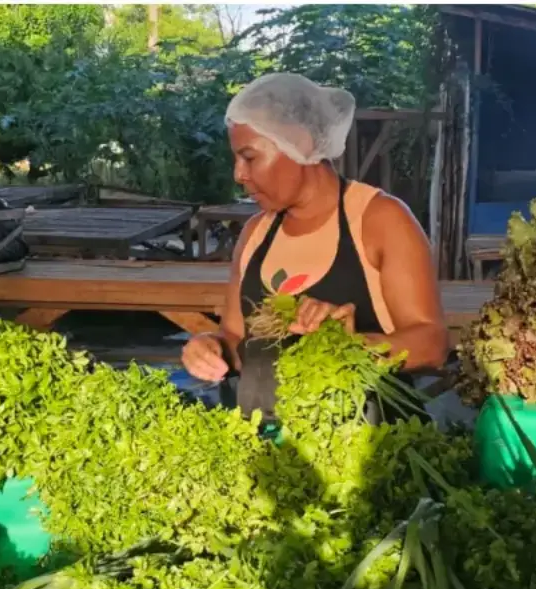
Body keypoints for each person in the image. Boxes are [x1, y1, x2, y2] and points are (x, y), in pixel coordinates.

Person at [180, 73, 448, 419]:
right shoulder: (255, 233)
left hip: (366, 444)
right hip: (273, 441)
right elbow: (235, 338)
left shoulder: (380, 220)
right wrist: (210, 348)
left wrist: (353, 346)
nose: (238, 174)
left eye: (249, 157)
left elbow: (432, 344)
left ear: (300, 144)